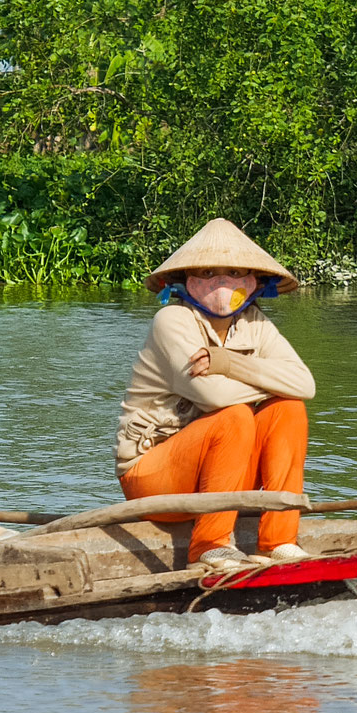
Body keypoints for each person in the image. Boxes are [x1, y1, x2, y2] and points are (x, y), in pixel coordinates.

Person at [115, 218, 315, 570]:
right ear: (186, 282)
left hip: (223, 474)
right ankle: (210, 546)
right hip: (154, 477)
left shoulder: (255, 323)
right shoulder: (172, 320)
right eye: (208, 273)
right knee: (235, 415)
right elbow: (213, 397)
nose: (222, 282)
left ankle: (279, 542)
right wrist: (267, 379)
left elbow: (304, 384)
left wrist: (227, 363)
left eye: (235, 272)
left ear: (254, 282)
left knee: (288, 408)